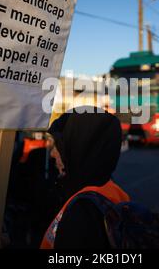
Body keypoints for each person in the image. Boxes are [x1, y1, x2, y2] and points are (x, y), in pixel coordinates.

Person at [40, 106, 130, 249]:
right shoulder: (112, 193)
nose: (52, 153)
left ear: (79, 150)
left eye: (59, 146)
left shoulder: (82, 214)